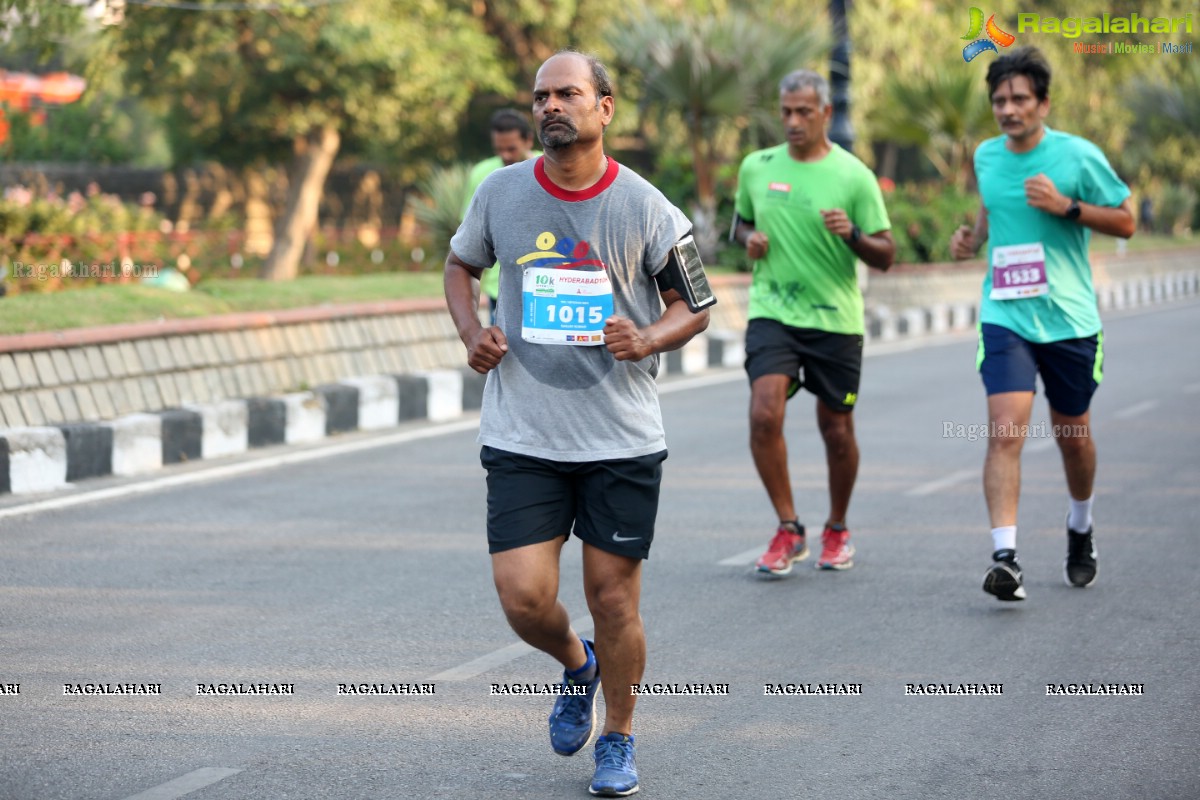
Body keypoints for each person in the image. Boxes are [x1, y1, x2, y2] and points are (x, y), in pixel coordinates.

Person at [444, 50, 711, 797]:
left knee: (614, 597)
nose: (551, 106)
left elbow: (696, 303)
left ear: (605, 106)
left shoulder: (647, 207)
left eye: (568, 93)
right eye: (541, 96)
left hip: (619, 440)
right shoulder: (500, 194)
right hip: (523, 433)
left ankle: (619, 738)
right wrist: (473, 334)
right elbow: (461, 265)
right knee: (524, 598)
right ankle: (578, 665)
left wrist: (651, 336)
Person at [949, 46, 1134, 602]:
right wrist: (971, 239)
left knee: (1072, 435)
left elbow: (1125, 220)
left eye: (1019, 99)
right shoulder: (986, 156)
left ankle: (1080, 527)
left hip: (1071, 320)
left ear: (1043, 102)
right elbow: (990, 213)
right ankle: (1005, 558)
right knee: (1005, 431)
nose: (1008, 109)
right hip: (1005, 314)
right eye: (999, 100)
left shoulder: (1077, 156)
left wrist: (1068, 207)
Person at [731, 69, 894, 577]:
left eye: (805, 112)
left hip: (834, 320)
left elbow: (886, 255)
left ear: (826, 113)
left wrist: (854, 235)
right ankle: (788, 527)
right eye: (786, 112)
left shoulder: (854, 176)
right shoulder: (756, 167)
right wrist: (748, 239)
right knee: (763, 414)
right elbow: (740, 222)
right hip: (773, 310)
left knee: (836, 428)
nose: (794, 121)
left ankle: (838, 527)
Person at [462, 109, 539, 323]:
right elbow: (468, 233)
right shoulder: (482, 174)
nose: (505, 155)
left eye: (511, 149)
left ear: (528, 140)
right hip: (500, 287)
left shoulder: (551, 167)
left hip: (545, 283)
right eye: (499, 149)